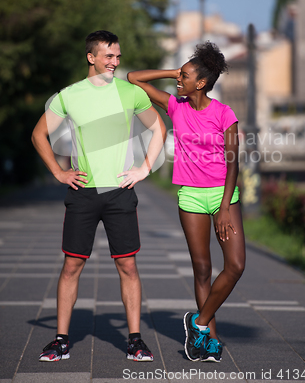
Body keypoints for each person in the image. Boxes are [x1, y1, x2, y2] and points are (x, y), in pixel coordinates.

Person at [31, 30, 166, 362]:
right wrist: (59, 173)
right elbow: (38, 134)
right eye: (109, 56)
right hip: (83, 192)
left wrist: (144, 169)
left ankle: (135, 340)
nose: (115, 62)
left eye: (118, 56)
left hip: (120, 191)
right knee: (71, 266)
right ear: (91, 57)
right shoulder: (69, 95)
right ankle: (61, 339)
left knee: (128, 266)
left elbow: (159, 129)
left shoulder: (130, 92)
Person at [127, 41, 245, 363]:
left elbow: (233, 162)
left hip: (224, 196)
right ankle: (209, 340)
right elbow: (133, 77)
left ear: (202, 83)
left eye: (186, 74)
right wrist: (172, 71)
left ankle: (198, 322)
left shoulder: (224, 113)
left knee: (235, 266)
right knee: (203, 269)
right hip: (190, 195)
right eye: (180, 73)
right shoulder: (176, 106)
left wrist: (223, 208)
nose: (180, 78)